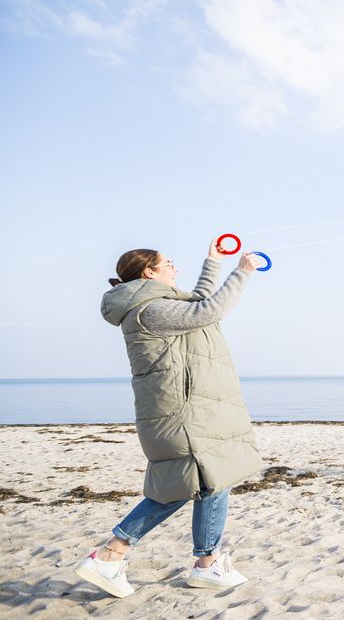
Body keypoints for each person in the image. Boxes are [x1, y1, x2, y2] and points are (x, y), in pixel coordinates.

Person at [74, 241, 264, 598]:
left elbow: (196, 302)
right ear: (149, 272)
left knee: (211, 481)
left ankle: (206, 565)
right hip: (182, 413)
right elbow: (209, 310)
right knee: (182, 486)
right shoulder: (150, 311)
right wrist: (243, 271)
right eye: (169, 264)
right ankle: (111, 553)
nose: (174, 268)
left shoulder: (157, 305)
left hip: (190, 410)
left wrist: (214, 262)